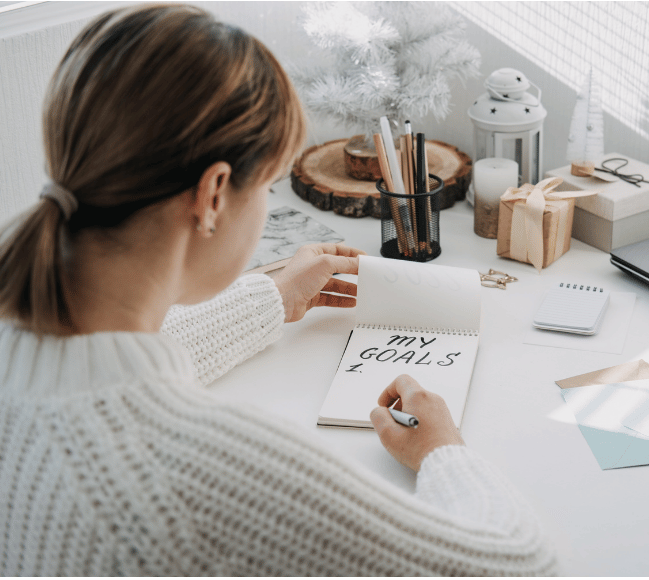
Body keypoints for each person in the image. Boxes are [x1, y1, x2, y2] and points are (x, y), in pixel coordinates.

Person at [0, 4, 557, 576]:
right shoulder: (191, 478)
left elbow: (105, 366)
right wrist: (443, 449)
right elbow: (519, 564)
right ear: (214, 194)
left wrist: (271, 298)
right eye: (268, 184)